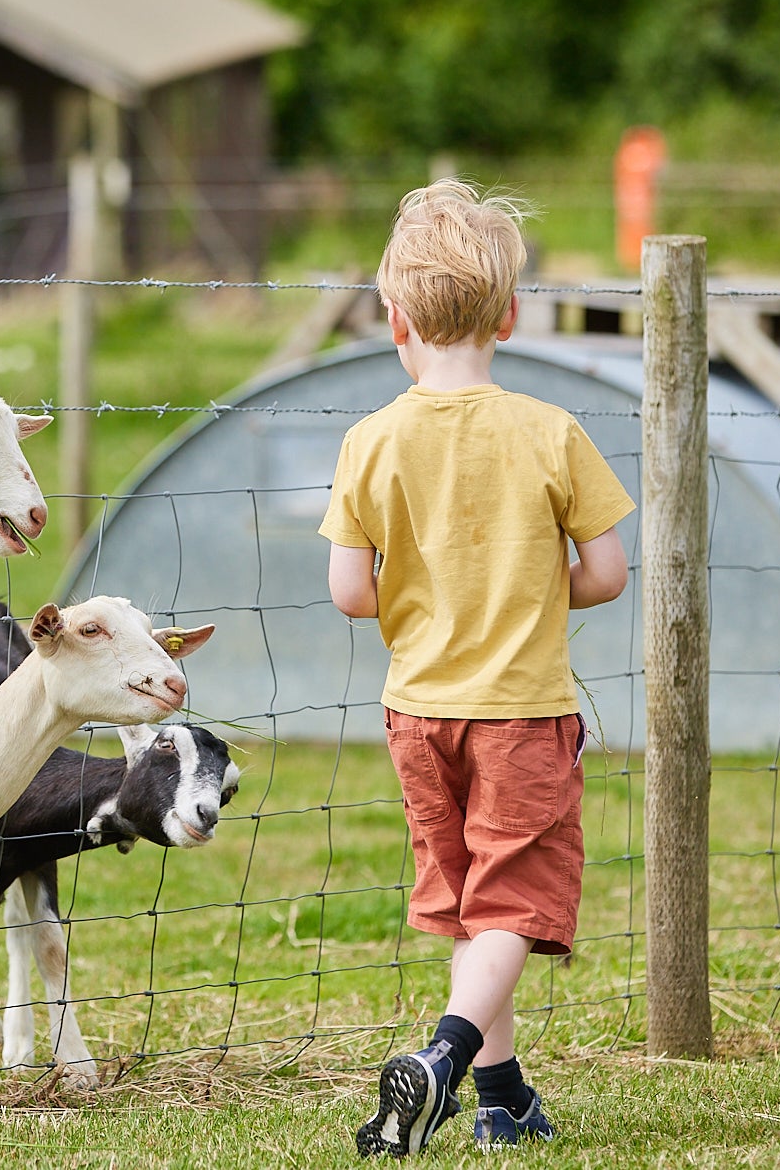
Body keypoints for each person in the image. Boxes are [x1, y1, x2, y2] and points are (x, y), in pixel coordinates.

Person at [319, 181, 633, 1155]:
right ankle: (445, 1057)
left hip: (416, 714)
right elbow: (607, 573)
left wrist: (426, 592)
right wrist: (532, 587)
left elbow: (349, 592)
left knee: (470, 907)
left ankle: (502, 1098)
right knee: (514, 903)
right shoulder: (549, 430)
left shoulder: (369, 440)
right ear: (509, 315)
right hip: (520, 713)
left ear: (394, 320)